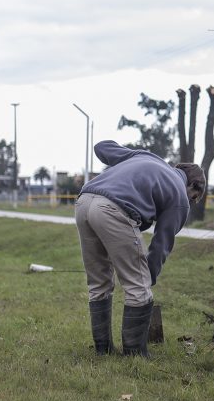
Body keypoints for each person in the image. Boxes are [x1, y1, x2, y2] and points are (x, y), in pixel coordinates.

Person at [75, 140, 206, 357]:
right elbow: (160, 246)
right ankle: (134, 355)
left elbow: (101, 147)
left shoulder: (146, 158)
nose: (190, 203)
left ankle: (103, 350)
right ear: (193, 186)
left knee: (98, 283)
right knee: (138, 288)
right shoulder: (180, 197)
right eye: (194, 199)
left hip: (84, 201)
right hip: (113, 208)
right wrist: (146, 278)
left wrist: (124, 159)